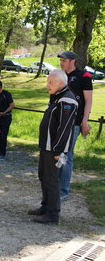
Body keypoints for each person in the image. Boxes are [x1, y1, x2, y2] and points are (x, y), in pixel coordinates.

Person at [28, 69, 78, 224]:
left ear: (61, 83)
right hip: (46, 146)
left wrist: (58, 150)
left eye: (50, 82)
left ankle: (53, 214)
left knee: (52, 179)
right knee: (43, 176)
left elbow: (64, 128)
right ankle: (46, 206)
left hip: (54, 149)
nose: (47, 85)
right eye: (47, 81)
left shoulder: (67, 101)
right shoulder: (57, 97)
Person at [57, 51, 93, 201]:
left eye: (64, 60)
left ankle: (63, 190)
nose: (62, 63)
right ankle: (56, 186)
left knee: (67, 155)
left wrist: (85, 121)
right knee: (58, 153)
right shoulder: (61, 76)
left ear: (72, 61)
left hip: (74, 123)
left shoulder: (83, 76)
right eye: (61, 61)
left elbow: (88, 100)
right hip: (59, 122)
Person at [0, 80, 15, 160]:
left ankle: (2, 154)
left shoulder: (6, 94)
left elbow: (12, 105)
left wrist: (4, 112)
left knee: (3, 136)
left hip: (6, 117)